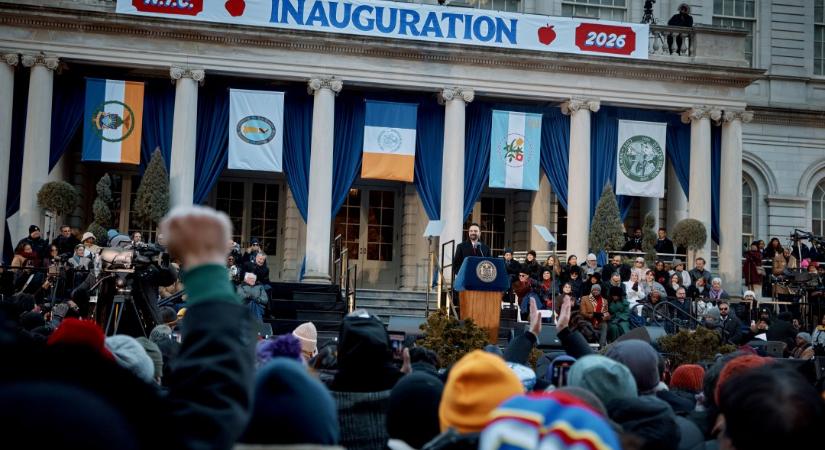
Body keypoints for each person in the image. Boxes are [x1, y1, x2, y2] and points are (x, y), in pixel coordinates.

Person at [0, 205, 256, 449]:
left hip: (144, 325)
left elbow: (169, 276)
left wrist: (158, 262)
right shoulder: (103, 270)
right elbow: (211, 417)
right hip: (109, 328)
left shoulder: (18, 391)